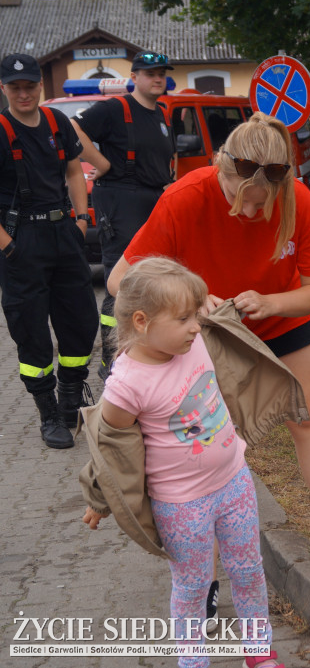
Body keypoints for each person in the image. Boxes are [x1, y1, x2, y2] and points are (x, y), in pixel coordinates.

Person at [106, 112, 310, 574]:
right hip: (207, 331)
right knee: (204, 442)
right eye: (237, 199)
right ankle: (201, 575)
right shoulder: (183, 198)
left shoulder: (300, 202)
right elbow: (119, 281)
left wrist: (271, 302)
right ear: (220, 170)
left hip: (281, 319)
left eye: (261, 204)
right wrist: (188, 295)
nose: (248, 213)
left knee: (307, 417)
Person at [82, 257, 289, 668]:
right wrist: (99, 496)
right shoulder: (126, 385)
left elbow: (217, 328)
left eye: (195, 315)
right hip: (181, 505)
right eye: (183, 319)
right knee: (193, 587)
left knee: (248, 570)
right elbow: (112, 448)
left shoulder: (194, 340)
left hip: (234, 481)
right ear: (141, 321)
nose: (195, 325)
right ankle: (193, 661)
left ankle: (258, 651)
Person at [0, 53, 98, 448]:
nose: (24, 93)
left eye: (30, 86)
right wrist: (9, 247)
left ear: (41, 86)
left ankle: (71, 399)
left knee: (80, 321)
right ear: (4, 88)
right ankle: (48, 413)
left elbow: (74, 171)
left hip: (65, 234)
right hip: (21, 242)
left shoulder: (57, 122)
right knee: (31, 332)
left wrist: (81, 220)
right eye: (15, 86)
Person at [72, 51, 175, 381]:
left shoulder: (160, 113)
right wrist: (100, 164)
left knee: (152, 277)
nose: (157, 78)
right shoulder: (115, 109)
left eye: (161, 73)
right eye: (149, 73)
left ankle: (145, 351)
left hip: (153, 198)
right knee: (122, 280)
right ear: (135, 77)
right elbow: (72, 129)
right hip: (121, 199)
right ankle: (111, 360)